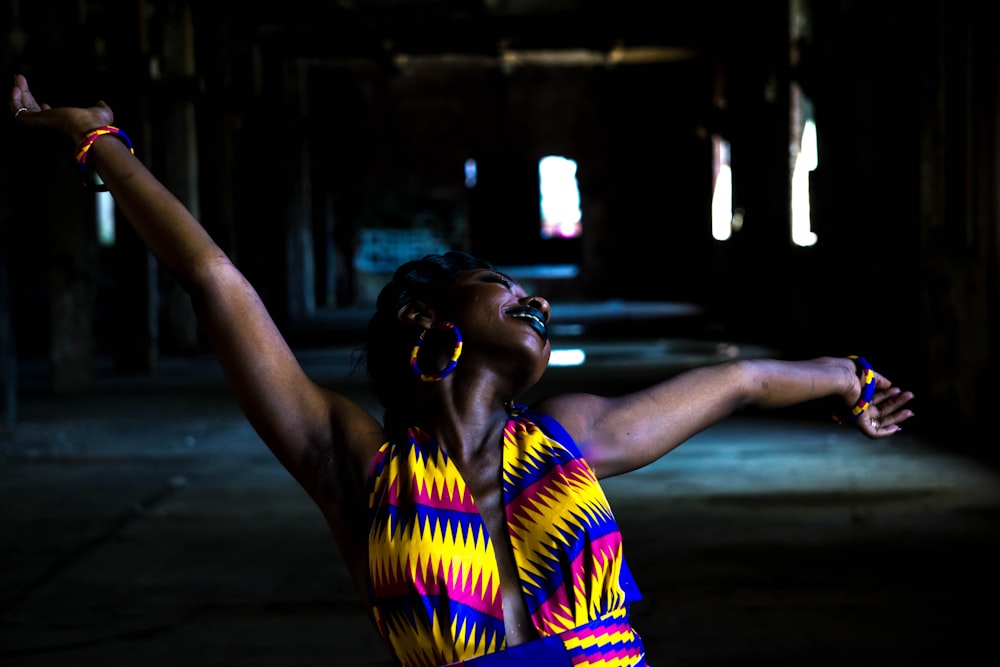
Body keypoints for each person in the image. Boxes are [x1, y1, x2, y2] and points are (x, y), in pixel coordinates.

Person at [9, 73, 915, 667]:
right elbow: (214, 279)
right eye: (504, 284)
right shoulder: (354, 462)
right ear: (425, 319)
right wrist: (100, 143)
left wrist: (850, 379)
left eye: (536, 293)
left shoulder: (572, 434)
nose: (538, 300)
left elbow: (746, 381)